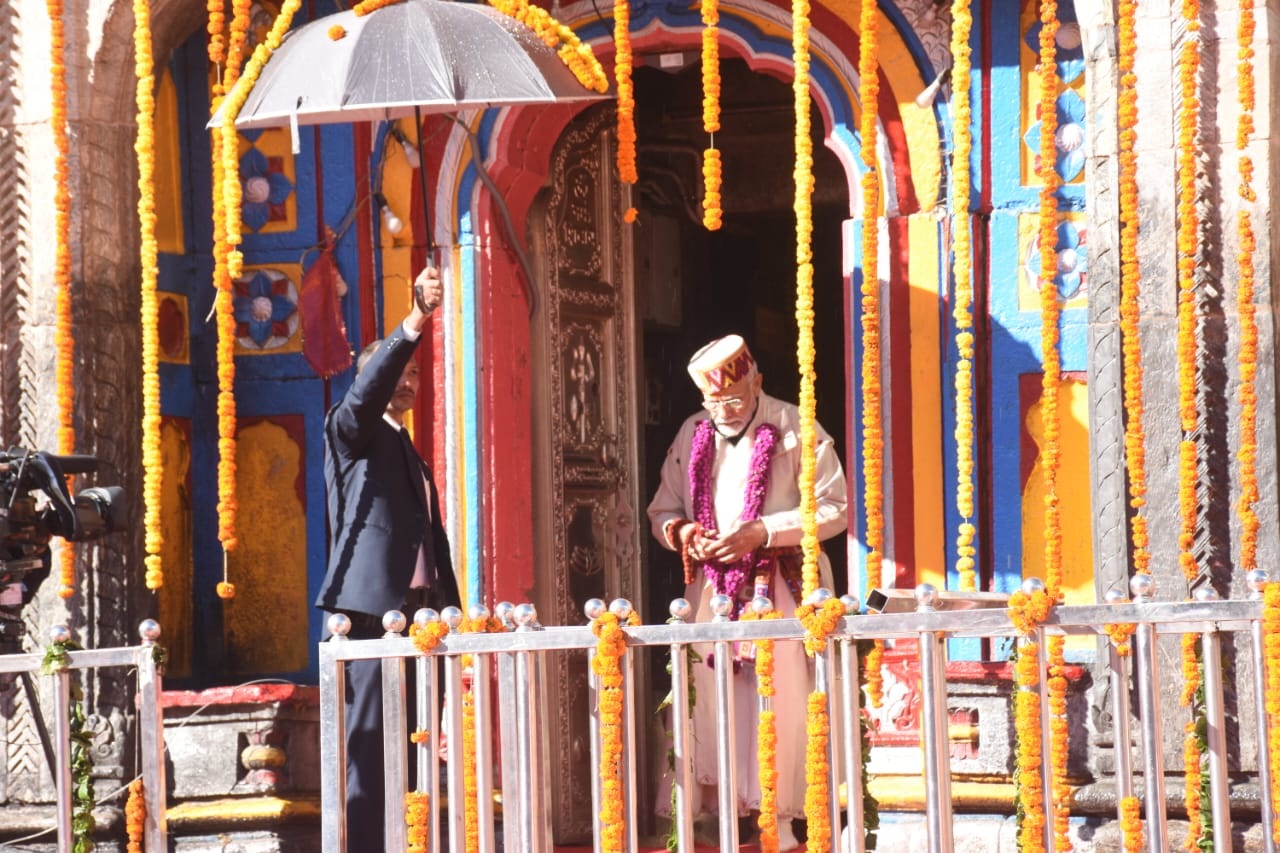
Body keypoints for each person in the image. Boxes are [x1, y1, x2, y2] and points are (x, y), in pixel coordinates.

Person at [647, 334, 848, 852]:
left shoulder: (794, 427)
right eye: (714, 403)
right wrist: (686, 533)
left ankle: (778, 822)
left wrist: (761, 531)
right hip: (710, 593)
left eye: (735, 400)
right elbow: (662, 511)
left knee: (778, 701)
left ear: (757, 383)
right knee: (710, 701)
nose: (725, 412)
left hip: (776, 589)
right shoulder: (692, 433)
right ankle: (721, 818)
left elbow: (835, 509)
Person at [315, 265, 461, 848]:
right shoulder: (350, 430)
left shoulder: (405, 446)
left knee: (410, 751)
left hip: (420, 615)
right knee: (370, 753)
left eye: (416, 374)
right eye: (399, 371)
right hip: (372, 614)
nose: (408, 382)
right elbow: (366, 392)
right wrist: (416, 320)